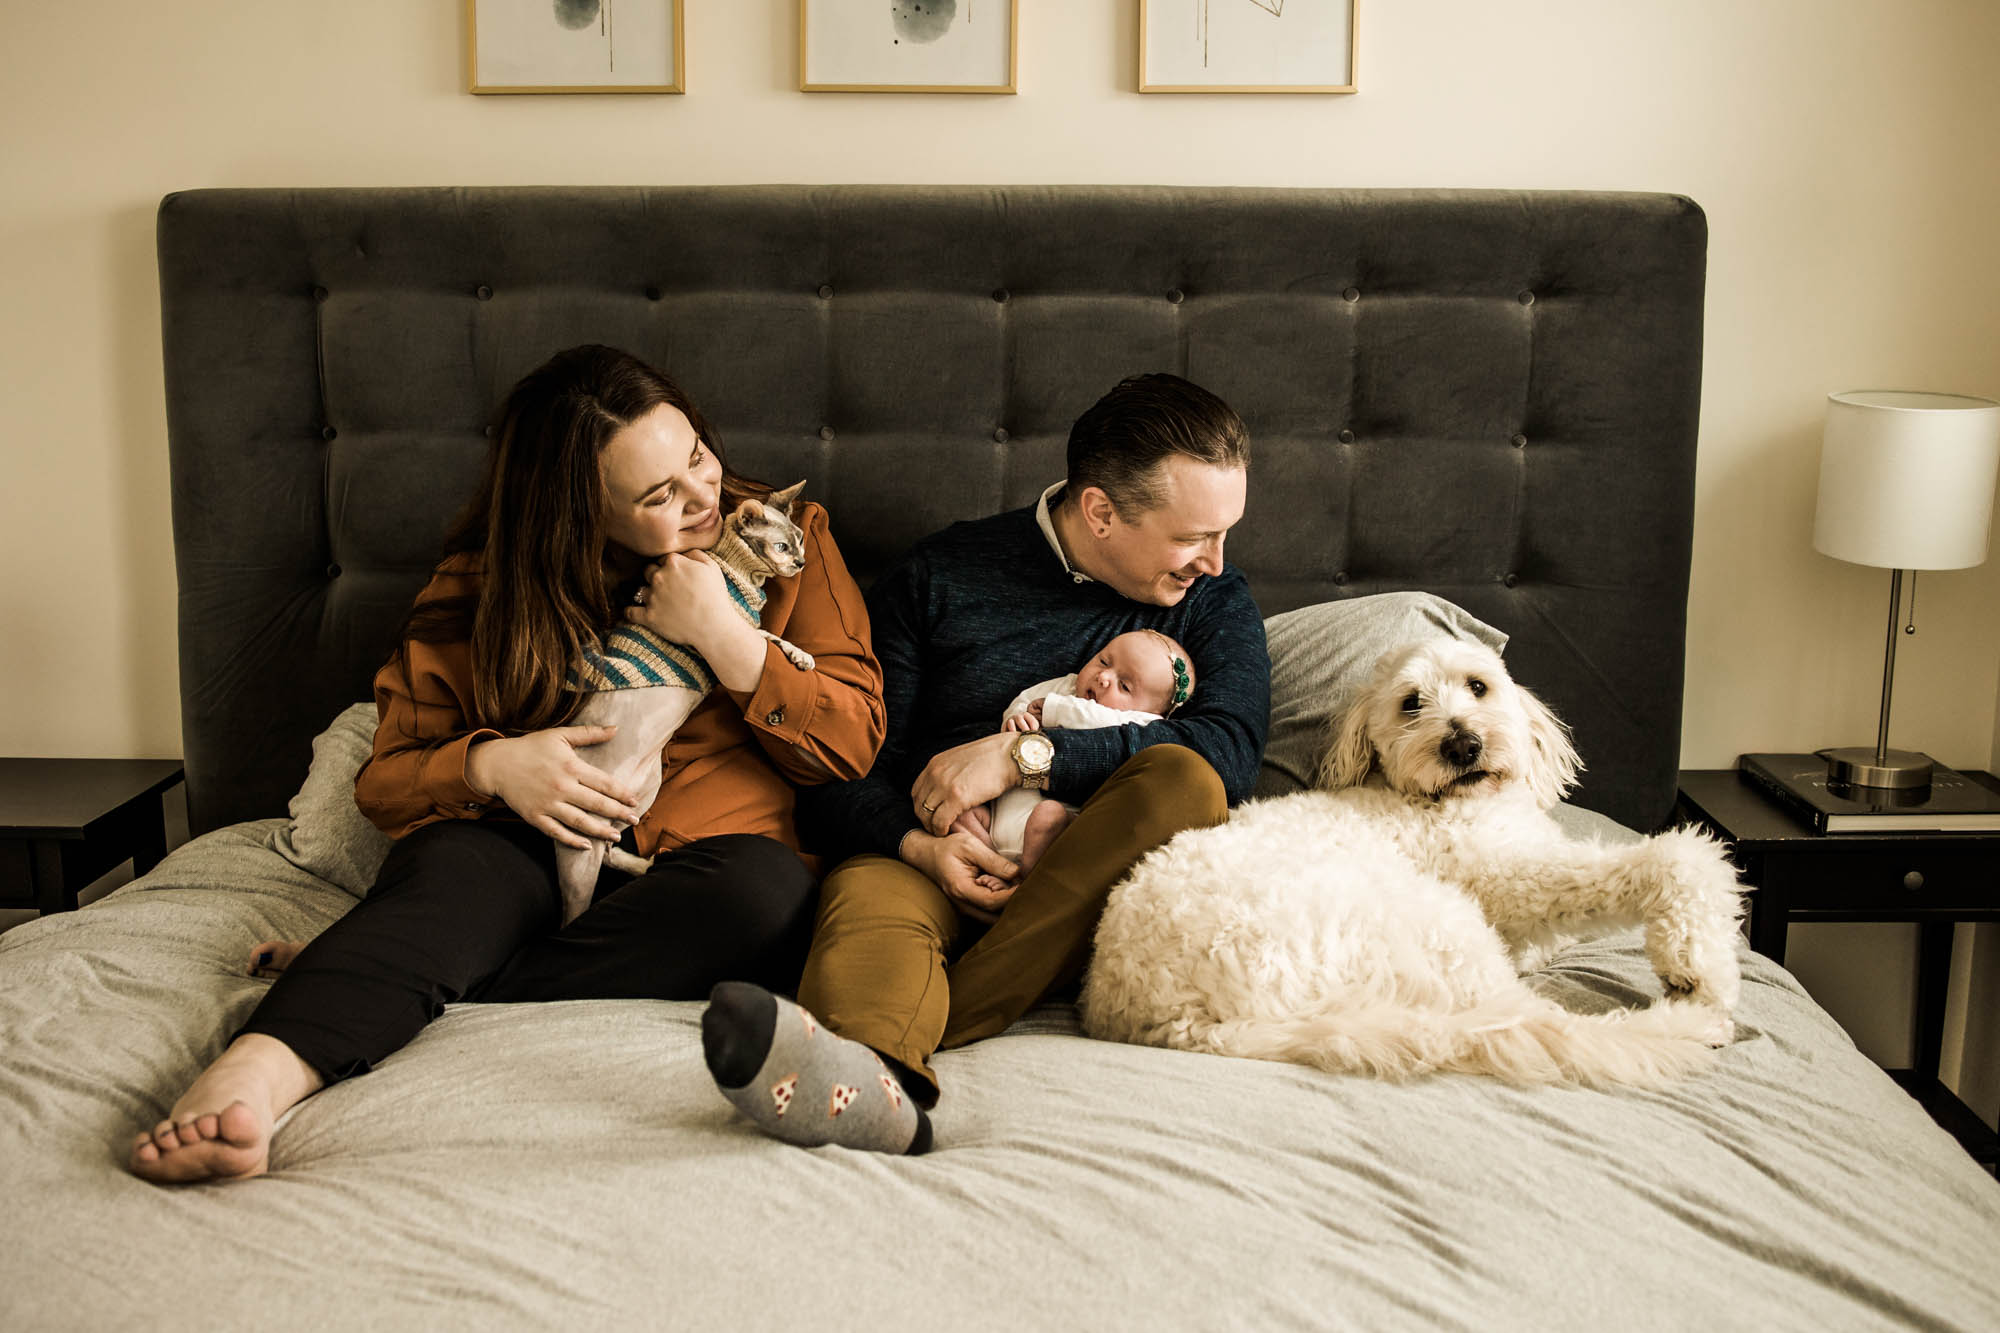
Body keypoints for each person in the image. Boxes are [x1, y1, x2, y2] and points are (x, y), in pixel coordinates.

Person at [128, 344, 886, 1184]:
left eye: (698, 457)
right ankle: (255, 1076)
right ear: (579, 513)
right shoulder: (489, 579)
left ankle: (391, 970)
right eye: (659, 495)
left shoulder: (783, 538)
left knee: (768, 894)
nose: (704, 494)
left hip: (697, 878)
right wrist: (494, 766)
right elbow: (387, 779)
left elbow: (851, 742)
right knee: (453, 878)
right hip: (519, 846)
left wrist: (724, 634)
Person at [699, 373, 1270, 1156]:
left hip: (1090, 863)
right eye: (1194, 536)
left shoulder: (1211, 602)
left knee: (1187, 779)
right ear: (1101, 510)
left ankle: (928, 1020)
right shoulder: (941, 576)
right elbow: (843, 770)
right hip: (933, 851)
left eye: (1225, 532)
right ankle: (870, 1078)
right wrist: (918, 844)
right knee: (867, 892)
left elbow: (1232, 755)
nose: (1215, 559)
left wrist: (1024, 756)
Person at [958, 628, 1197, 889]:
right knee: (960, 810)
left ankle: (1024, 881)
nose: (1104, 677)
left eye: (1125, 685)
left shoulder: (1143, 724)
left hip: (1054, 831)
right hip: (997, 821)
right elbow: (1026, 699)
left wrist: (1055, 709)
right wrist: (1016, 718)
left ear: (1154, 712)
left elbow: (1096, 719)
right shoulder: (1066, 686)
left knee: (1048, 816)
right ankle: (994, 863)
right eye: (1104, 661)